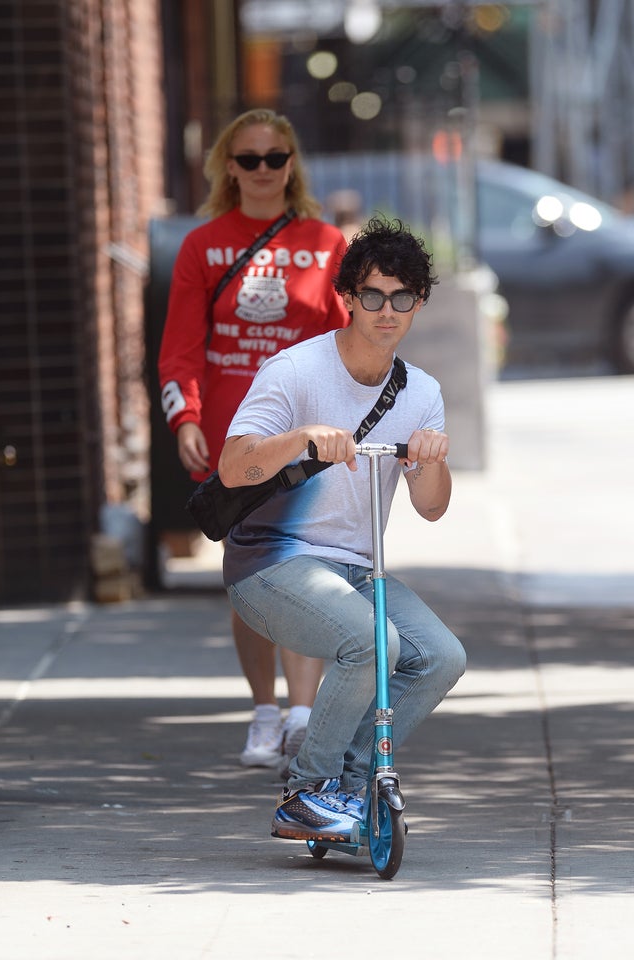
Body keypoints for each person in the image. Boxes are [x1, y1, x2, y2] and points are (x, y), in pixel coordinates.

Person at [218, 215, 467, 841]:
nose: (388, 311)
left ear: (419, 303)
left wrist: (430, 462)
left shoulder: (421, 392)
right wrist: (299, 438)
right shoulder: (295, 371)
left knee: (440, 656)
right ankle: (308, 790)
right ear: (348, 298)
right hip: (270, 565)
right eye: (374, 296)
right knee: (374, 642)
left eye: (402, 297)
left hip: (355, 567)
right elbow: (231, 466)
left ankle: (351, 786)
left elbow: (433, 508)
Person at [158, 108, 350, 770]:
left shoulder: (327, 245)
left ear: (291, 164)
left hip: (308, 434)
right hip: (229, 436)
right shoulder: (202, 245)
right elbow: (179, 350)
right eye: (249, 159)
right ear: (227, 167)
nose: (263, 170)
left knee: (306, 567)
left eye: (275, 157)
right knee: (248, 574)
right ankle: (264, 710)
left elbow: (347, 344)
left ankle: (302, 716)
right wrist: (183, 418)